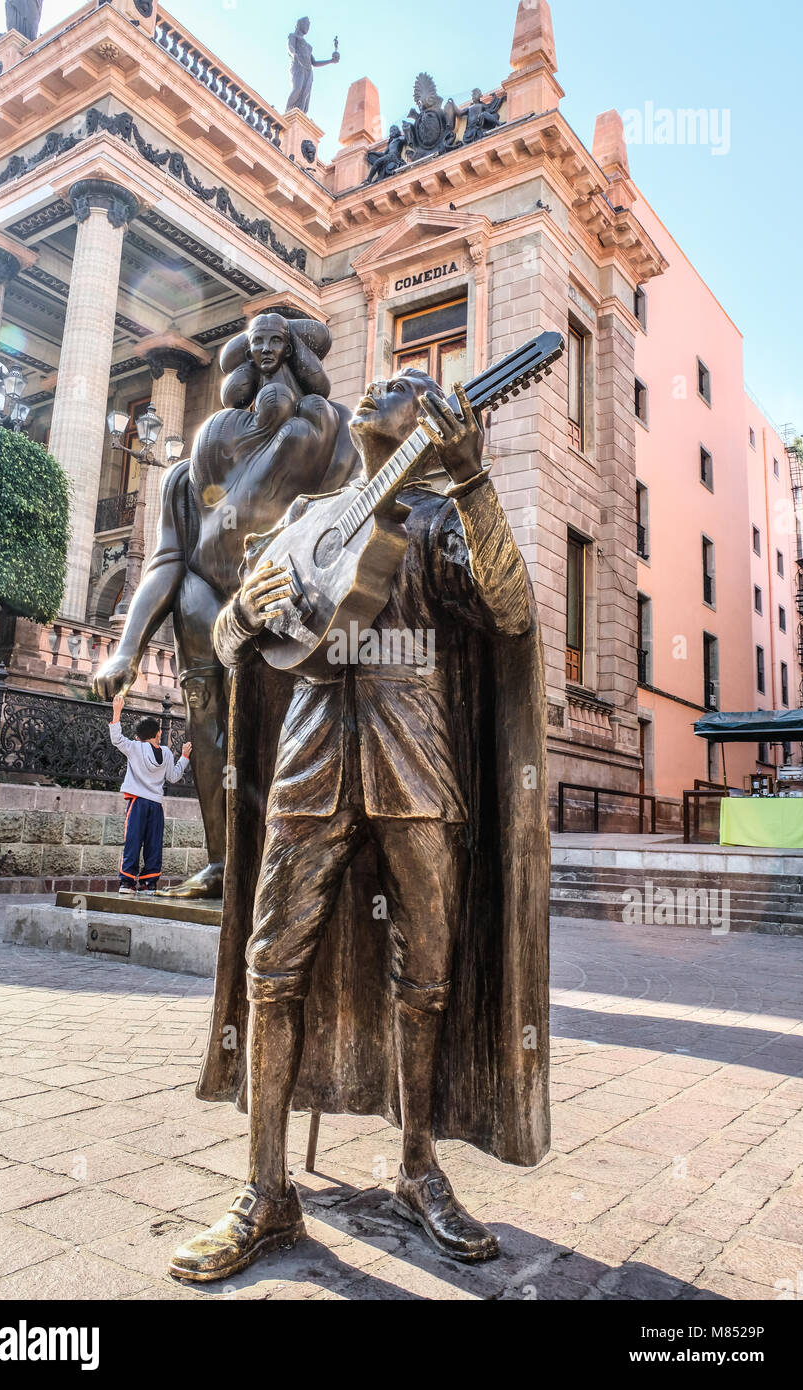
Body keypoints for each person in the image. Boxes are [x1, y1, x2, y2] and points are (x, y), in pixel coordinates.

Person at [168, 367, 550, 1282]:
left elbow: (511, 610)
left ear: (432, 421)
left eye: (409, 383)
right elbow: (228, 640)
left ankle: (419, 1167)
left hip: (416, 753)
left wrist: (475, 482)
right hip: (307, 756)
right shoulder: (303, 521)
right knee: (272, 967)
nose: (384, 385)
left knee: (427, 969)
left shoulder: (443, 518)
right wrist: (239, 619)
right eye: (379, 379)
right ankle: (264, 1191)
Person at [92, 313, 358, 901]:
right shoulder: (187, 474)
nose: (265, 378)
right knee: (208, 732)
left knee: (294, 730)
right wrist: (127, 650)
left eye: (277, 352)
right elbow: (167, 559)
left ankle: (286, 872)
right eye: (255, 350)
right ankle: (222, 863)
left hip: (290, 607)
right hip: (201, 601)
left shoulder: (328, 434)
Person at [109, 694, 192, 896]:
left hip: (137, 802)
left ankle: (127, 883)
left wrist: (117, 711)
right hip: (156, 804)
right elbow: (173, 776)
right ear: (157, 734)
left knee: (133, 840)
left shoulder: (135, 747)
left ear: (139, 736)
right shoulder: (165, 752)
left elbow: (116, 739)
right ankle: (149, 883)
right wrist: (184, 757)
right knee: (154, 843)